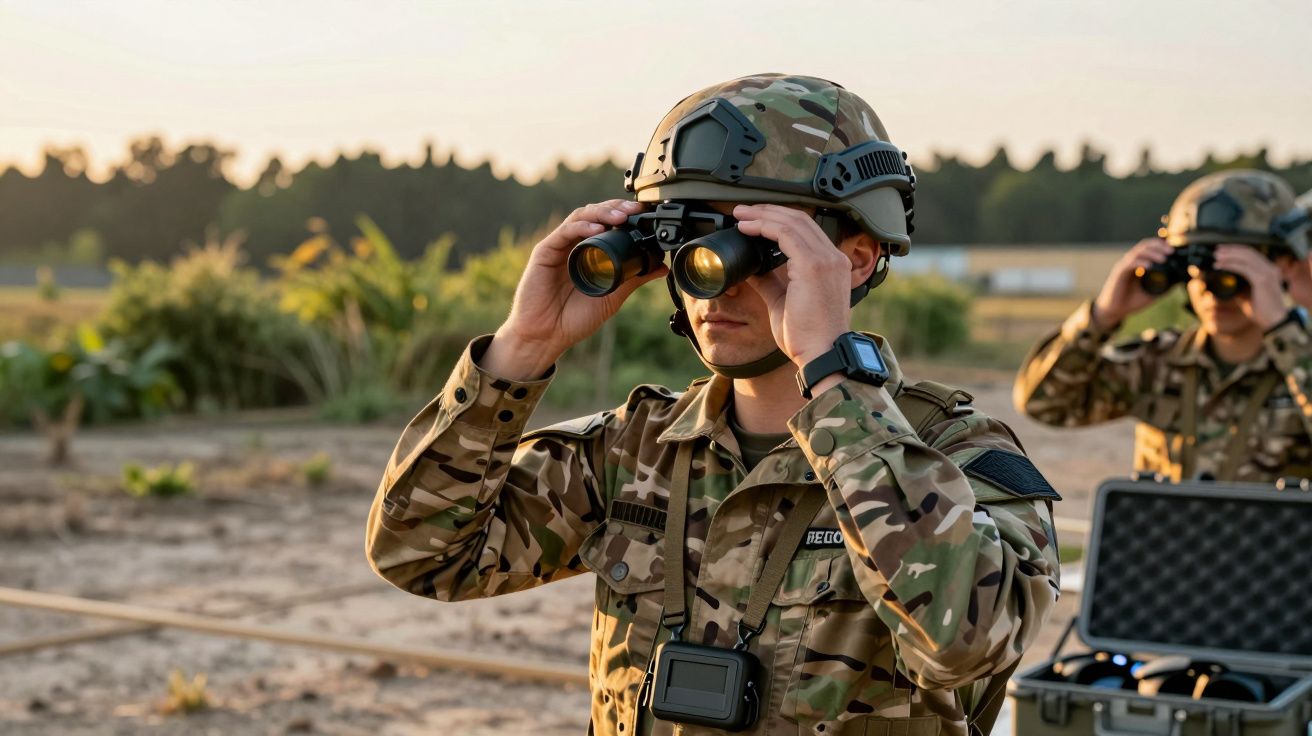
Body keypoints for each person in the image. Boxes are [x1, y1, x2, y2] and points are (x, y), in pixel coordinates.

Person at [366, 74, 1061, 736]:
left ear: (853, 258)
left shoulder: (959, 458)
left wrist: (831, 371)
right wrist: (522, 348)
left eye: (750, 249)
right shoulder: (631, 452)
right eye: (691, 246)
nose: (713, 288)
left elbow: (966, 645)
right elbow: (420, 555)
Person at [1015, 169, 1312, 483]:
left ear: (1285, 264)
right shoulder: (1158, 362)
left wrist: (1283, 330)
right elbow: (1043, 403)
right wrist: (1103, 315)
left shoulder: (1299, 363)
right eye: (1200, 270)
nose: (1212, 290)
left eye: (1234, 273)